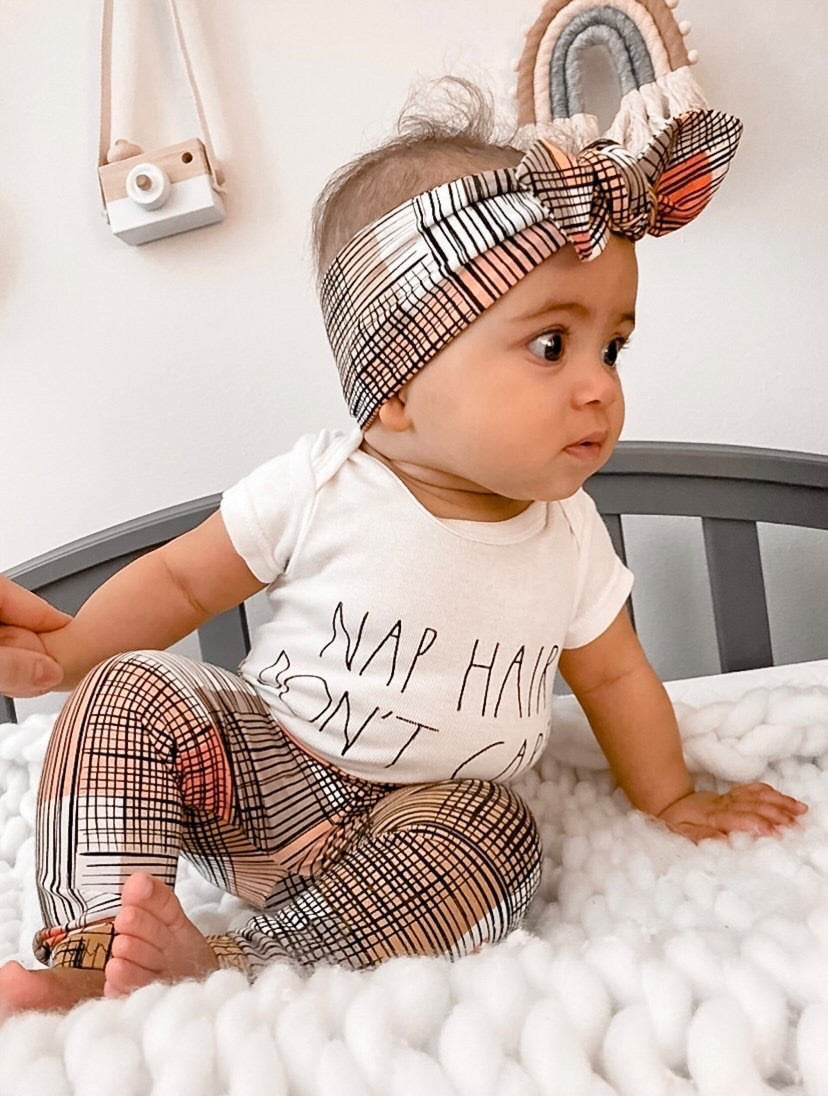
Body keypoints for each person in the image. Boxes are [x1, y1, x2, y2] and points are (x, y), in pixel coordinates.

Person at [0, 85, 807, 1015]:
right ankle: (86, 953)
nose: (598, 388)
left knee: (500, 834)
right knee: (134, 686)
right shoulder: (324, 485)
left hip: (419, 830)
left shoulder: (570, 537)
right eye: (552, 345)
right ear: (396, 388)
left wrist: (671, 800)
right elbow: (184, 578)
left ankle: (235, 964)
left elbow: (618, 679)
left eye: (613, 348)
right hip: (267, 779)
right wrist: (66, 653)